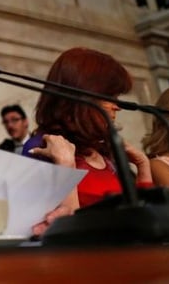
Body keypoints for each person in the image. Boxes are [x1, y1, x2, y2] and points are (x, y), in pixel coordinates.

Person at [22, 47, 153, 209]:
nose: (117, 107)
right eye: (110, 97)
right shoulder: (42, 147)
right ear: (83, 98)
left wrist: (142, 166)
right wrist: (66, 166)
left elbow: (140, 216)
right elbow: (60, 227)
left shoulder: (102, 153)